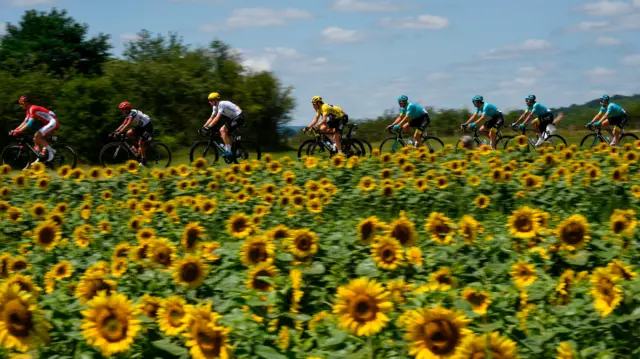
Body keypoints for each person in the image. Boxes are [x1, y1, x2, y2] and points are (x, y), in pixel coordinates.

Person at [8, 96, 59, 163]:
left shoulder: (33, 108)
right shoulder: (28, 111)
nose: (20, 105)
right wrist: (15, 130)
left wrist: (19, 131)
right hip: (48, 123)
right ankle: (41, 156)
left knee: (37, 135)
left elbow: (30, 123)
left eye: (21, 103)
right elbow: (25, 122)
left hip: (52, 122)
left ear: (26, 103)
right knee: (35, 139)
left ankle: (51, 151)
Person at [202, 92, 244, 158]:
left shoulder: (221, 104)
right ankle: (235, 152)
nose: (209, 102)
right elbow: (211, 118)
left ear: (216, 100)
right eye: (209, 100)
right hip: (233, 118)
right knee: (223, 134)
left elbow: (217, 118)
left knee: (222, 130)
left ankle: (229, 151)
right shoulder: (215, 107)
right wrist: (204, 127)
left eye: (211, 100)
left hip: (239, 117)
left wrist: (209, 127)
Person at [111, 101, 153, 166]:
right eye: (121, 109)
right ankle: (139, 147)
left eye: (122, 109)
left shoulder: (132, 113)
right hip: (142, 126)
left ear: (127, 109)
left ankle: (144, 161)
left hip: (147, 126)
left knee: (141, 142)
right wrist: (115, 131)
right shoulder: (128, 114)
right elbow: (123, 124)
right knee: (129, 133)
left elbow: (127, 124)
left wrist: (119, 132)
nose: (122, 111)